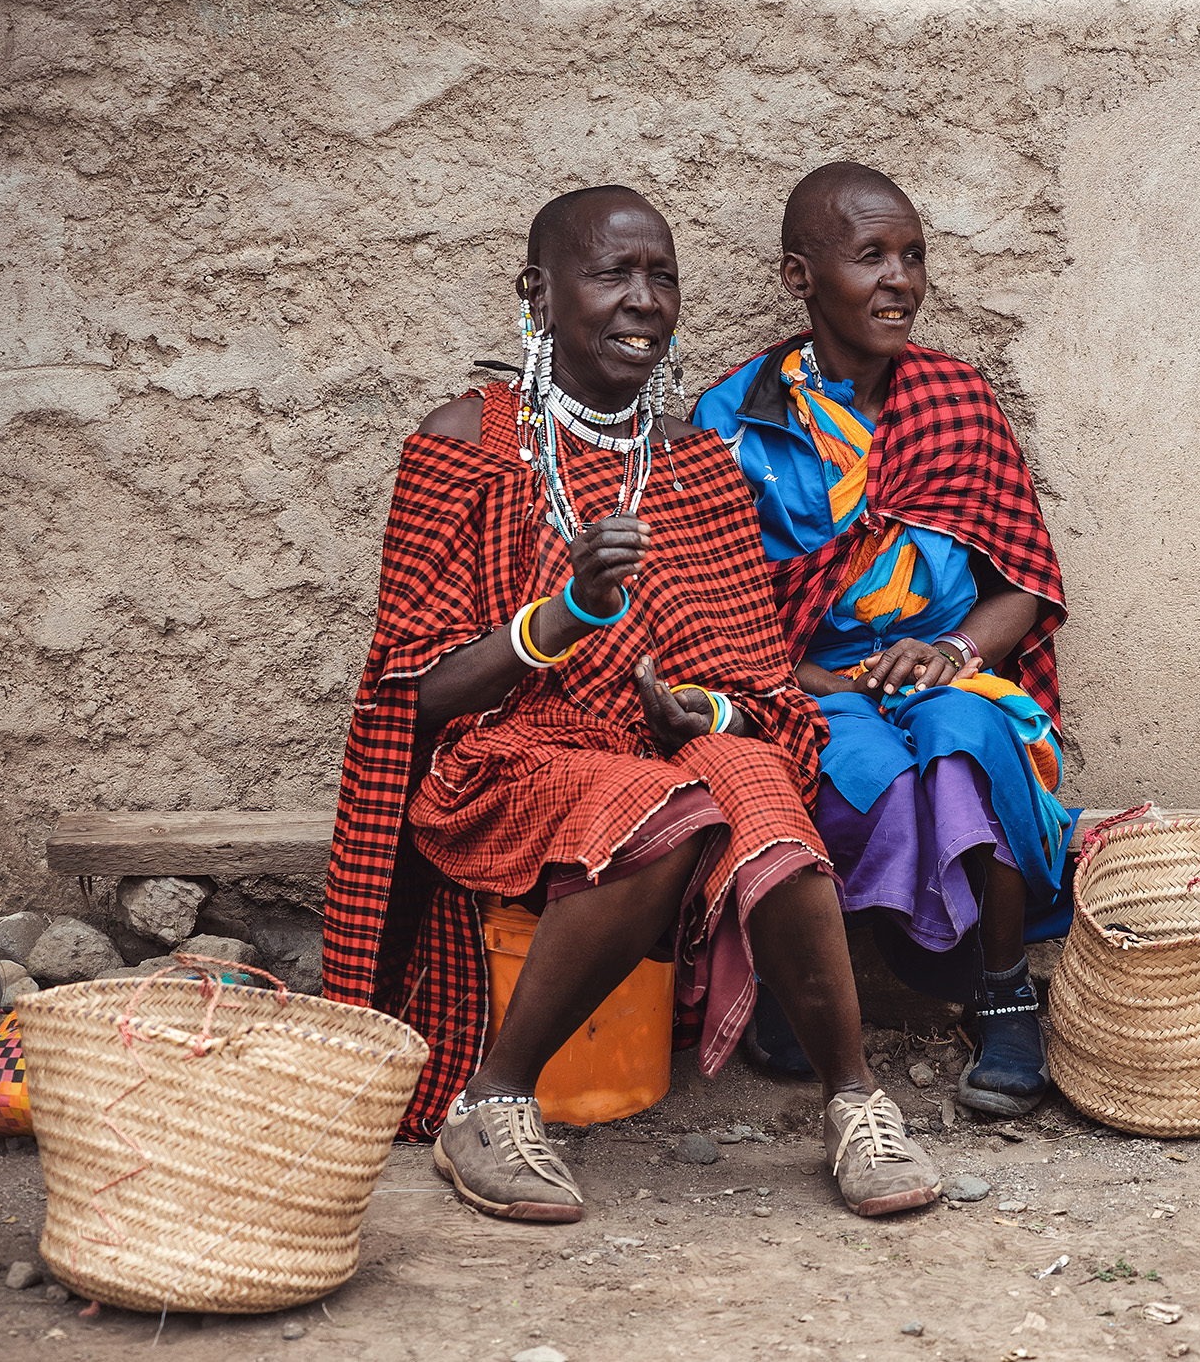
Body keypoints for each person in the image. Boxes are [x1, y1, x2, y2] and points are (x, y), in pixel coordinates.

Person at [322, 184, 940, 1222]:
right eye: (614, 272)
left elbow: (766, 696)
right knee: (659, 807)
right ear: (539, 293)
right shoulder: (465, 441)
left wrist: (707, 713)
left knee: (740, 775)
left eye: (662, 277)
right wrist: (560, 613)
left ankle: (855, 1100)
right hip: (501, 759)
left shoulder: (699, 468)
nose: (644, 299)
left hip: (655, 760)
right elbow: (413, 694)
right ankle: (490, 1100)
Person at [693, 163, 1070, 1117]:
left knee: (963, 736)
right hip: (801, 675)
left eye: (913, 257)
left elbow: (1022, 580)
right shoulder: (734, 421)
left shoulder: (957, 401)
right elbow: (712, 608)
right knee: (855, 756)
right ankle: (808, 980)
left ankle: (1002, 988)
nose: (900, 279)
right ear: (799, 277)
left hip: (948, 670)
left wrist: (952, 656)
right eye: (871, 256)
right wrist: (814, 674)